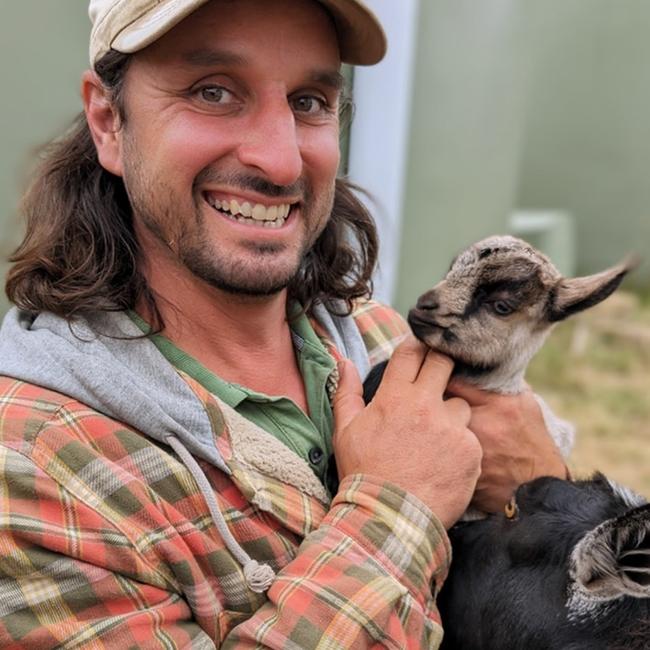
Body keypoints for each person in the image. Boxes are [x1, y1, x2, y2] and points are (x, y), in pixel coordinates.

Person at [0, 0, 567, 647]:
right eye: (213, 92)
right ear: (107, 121)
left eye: (309, 101)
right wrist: (396, 507)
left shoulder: (384, 338)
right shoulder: (33, 471)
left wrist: (544, 482)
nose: (281, 162)